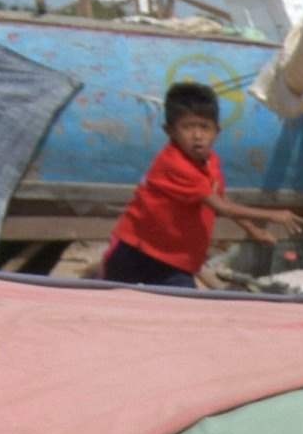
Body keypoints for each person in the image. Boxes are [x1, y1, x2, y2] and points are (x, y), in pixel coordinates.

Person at [98, 78, 228, 288]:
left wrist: (252, 228)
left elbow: (221, 202)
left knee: (181, 311)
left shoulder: (212, 163)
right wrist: (273, 215)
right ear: (170, 131)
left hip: (174, 260)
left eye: (204, 127)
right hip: (135, 252)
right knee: (111, 303)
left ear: (217, 131)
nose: (197, 136)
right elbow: (222, 207)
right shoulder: (174, 163)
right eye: (188, 127)